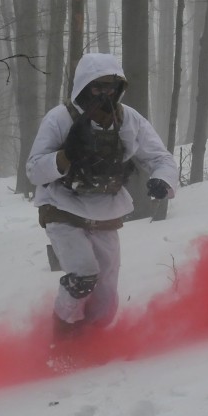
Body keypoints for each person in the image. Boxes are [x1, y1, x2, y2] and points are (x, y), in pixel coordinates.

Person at [26, 53, 177, 340]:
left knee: (106, 294)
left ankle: (91, 340)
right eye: (98, 87)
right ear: (84, 86)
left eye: (111, 87)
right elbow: (33, 170)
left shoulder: (128, 119)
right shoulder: (60, 118)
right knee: (83, 276)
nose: (105, 94)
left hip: (106, 209)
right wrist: (65, 156)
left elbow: (159, 157)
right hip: (61, 206)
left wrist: (162, 179)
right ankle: (60, 339)